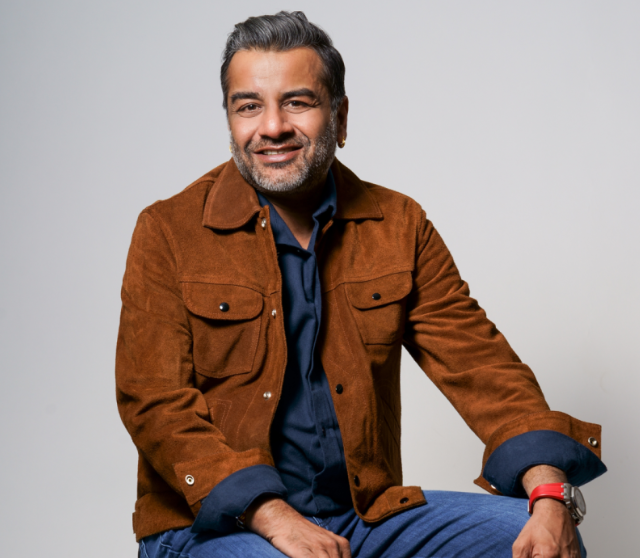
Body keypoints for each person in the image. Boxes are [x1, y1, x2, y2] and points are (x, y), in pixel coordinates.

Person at [116, 11, 606, 558]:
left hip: (361, 515)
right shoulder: (168, 231)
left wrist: (549, 493)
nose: (272, 126)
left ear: (341, 117)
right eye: (248, 106)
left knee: (533, 540)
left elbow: (482, 367)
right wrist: (275, 519)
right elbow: (154, 402)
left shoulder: (398, 226)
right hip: (213, 526)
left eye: (297, 102)